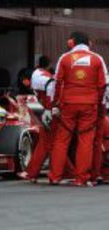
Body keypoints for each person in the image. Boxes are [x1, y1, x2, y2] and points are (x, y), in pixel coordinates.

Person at [48, 31, 107, 186]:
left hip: (68, 104)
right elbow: (102, 85)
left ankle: (55, 176)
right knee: (86, 140)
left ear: (71, 43)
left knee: (61, 140)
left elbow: (57, 83)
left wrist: (55, 104)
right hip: (89, 105)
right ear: (90, 43)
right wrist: (98, 102)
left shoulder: (64, 58)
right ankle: (81, 179)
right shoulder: (97, 59)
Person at [18, 56, 75, 182]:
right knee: (52, 143)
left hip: (55, 110)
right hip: (56, 109)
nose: (24, 84)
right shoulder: (41, 75)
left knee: (46, 143)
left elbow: (53, 85)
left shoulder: (38, 76)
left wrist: (51, 108)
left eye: (24, 81)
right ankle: (69, 172)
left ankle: (31, 173)